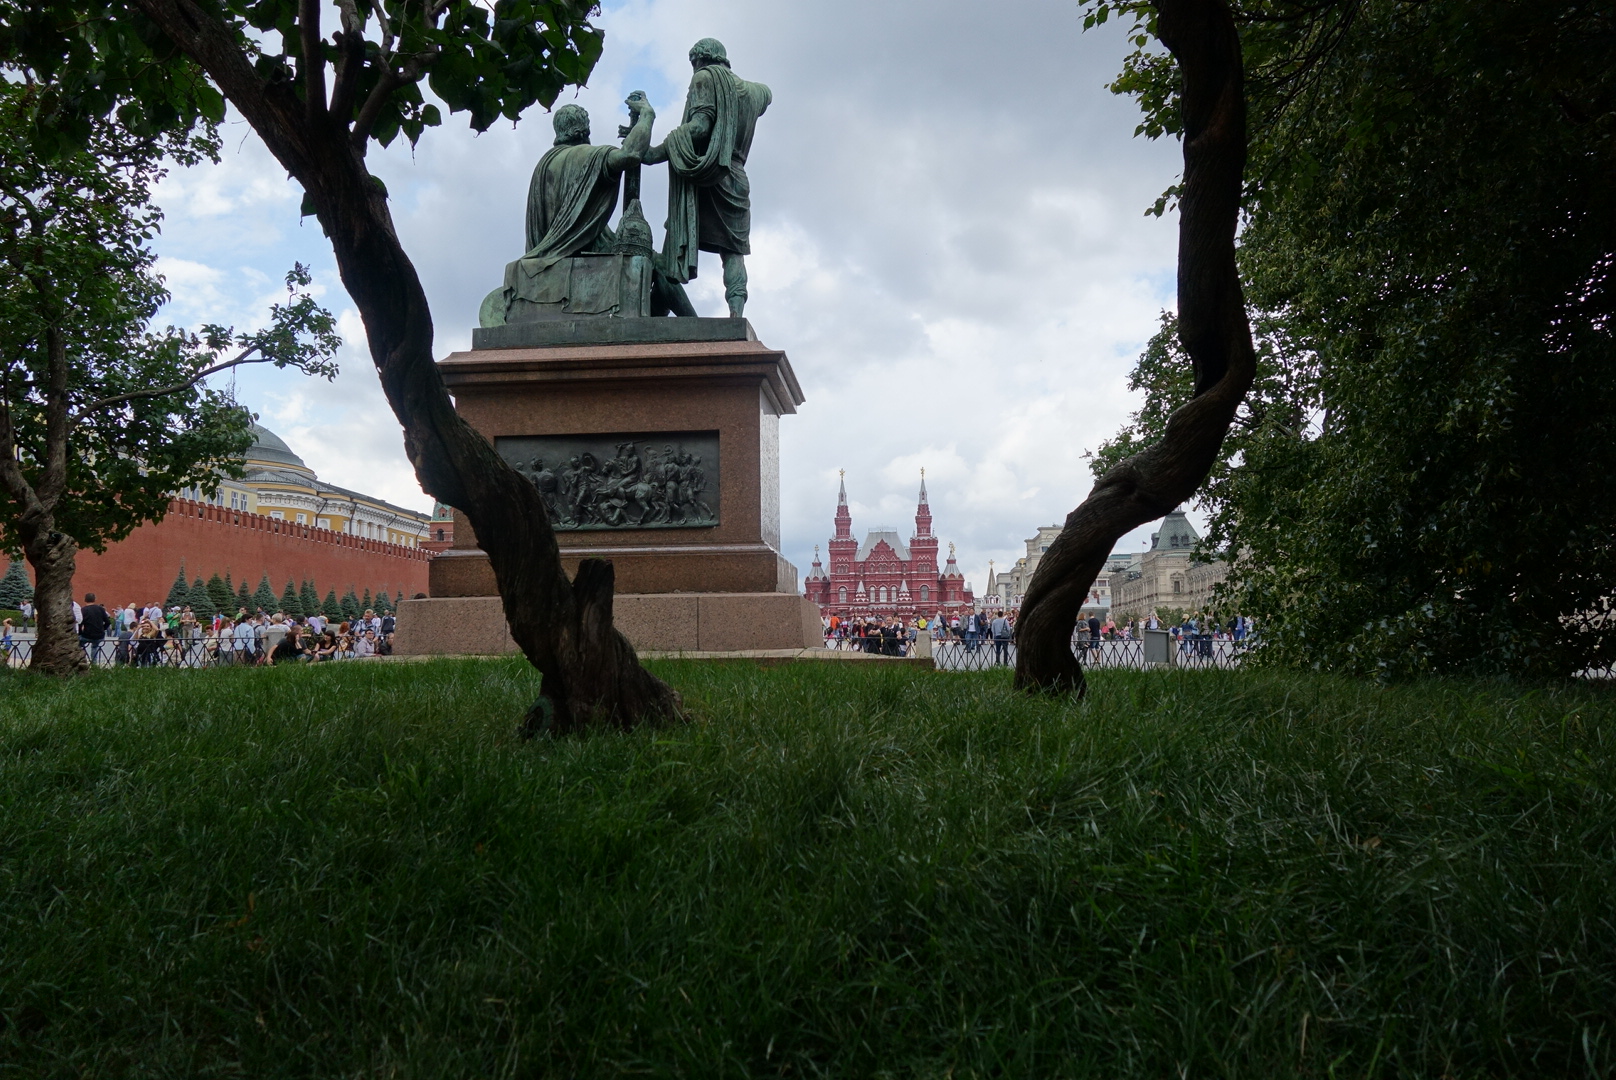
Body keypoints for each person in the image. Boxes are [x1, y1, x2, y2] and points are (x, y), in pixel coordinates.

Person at [645, 38, 771, 317]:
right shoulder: (756, 92)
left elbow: (700, 127)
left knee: (672, 250)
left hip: (704, 175)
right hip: (737, 177)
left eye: (694, 63)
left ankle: (656, 318)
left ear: (700, 59)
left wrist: (656, 152)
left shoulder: (703, 77)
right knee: (734, 252)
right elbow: (767, 95)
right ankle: (736, 315)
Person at [78, 593, 111, 666]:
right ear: (95, 599)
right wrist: (103, 629)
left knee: (78, 644)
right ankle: (94, 664)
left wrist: (80, 633)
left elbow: (80, 623)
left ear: (85, 600)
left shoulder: (83, 610)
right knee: (95, 647)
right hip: (99, 635)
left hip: (86, 634)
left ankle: (82, 660)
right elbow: (108, 622)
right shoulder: (101, 609)